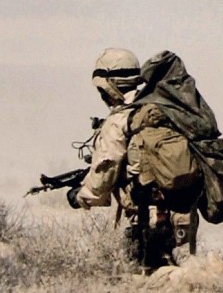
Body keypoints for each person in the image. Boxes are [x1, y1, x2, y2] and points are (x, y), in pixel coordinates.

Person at [74, 47, 200, 271]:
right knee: (182, 277)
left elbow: (106, 167)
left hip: (148, 216)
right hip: (184, 214)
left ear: (108, 86)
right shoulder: (164, 107)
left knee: (149, 281)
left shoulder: (120, 118)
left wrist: (82, 196)